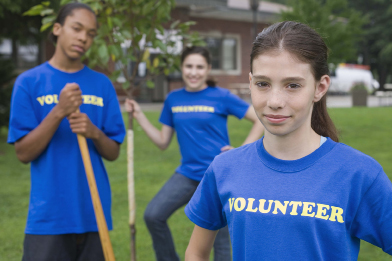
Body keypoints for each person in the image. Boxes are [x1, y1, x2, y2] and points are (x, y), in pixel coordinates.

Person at [184, 21, 392, 260]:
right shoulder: (224, 167)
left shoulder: (359, 173)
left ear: (320, 87)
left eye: (292, 85)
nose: (275, 101)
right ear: (250, 83)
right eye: (263, 84)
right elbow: (196, 252)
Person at [7, 3, 125, 261]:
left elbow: (113, 152)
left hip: (93, 213)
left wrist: (94, 132)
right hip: (49, 217)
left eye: (91, 33)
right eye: (77, 28)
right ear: (57, 29)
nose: (84, 37)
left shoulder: (101, 84)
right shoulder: (29, 82)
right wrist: (58, 111)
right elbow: (23, 153)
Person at [125, 46, 264, 260]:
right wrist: (140, 115)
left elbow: (259, 119)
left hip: (218, 177)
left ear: (208, 69)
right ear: (181, 68)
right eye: (189, 66)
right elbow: (163, 142)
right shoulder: (173, 99)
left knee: (221, 242)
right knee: (153, 215)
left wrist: (242, 151)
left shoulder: (221, 96)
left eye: (199, 67)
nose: (193, 72)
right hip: (187, 174)